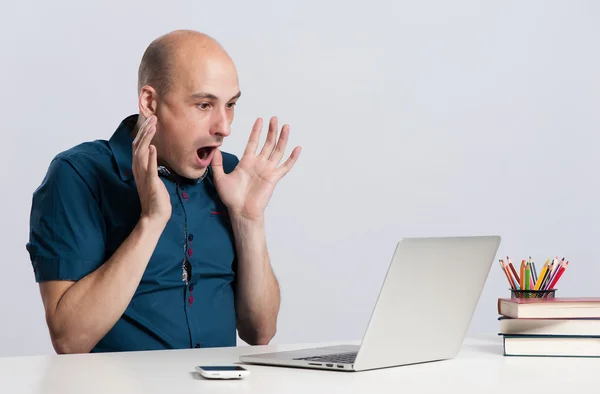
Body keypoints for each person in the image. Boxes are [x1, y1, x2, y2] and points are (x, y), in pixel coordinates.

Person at [25, 30, 301, 354]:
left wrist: (248, 218)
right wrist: (151, 221)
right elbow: (69, 339)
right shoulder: (78, 175)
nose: (224, 127)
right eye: (203, 105)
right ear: (150, 103)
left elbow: (260, 332)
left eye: (230, 105)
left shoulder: (230, 176)